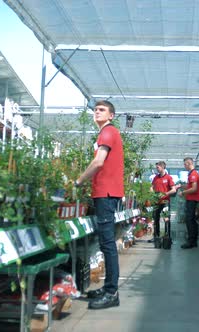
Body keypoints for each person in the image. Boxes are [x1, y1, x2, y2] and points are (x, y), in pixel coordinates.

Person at [75, 100, 123, 310]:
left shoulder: (107, 132)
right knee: (106, 243)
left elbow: (98, 162)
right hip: (106, 192)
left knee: (108, 244)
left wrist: (78, 181)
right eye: (95, 109)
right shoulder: (107, 133)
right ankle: (107, 288)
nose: (97, 112)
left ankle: (112, 292)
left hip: (106, 192)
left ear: (111, 115)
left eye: (102, 110)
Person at [149, 161, 178, 243]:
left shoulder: (168, 178)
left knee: (166, 219)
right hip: (156, 202)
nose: (156, 169)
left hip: (165, 201)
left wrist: (166, 193)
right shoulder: (156, 178)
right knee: (156, 219)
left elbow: (173, 189)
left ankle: (167, 237)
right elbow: (152, 187)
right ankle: (156, 236)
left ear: (162, 167)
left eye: (158, 167)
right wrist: (151, 191)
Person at [178, 157, 199, 249]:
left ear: (189, 163)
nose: (184, 166)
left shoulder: (193, 174)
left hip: (192, 200)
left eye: (185, 164)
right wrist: (181, 186)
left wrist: (182, 192)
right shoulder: (192, 174)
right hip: (192, 199)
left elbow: (194, 188)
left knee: (189, 220)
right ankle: (193, 241)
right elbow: (190, 186)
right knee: (191, 220)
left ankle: (191, 241)